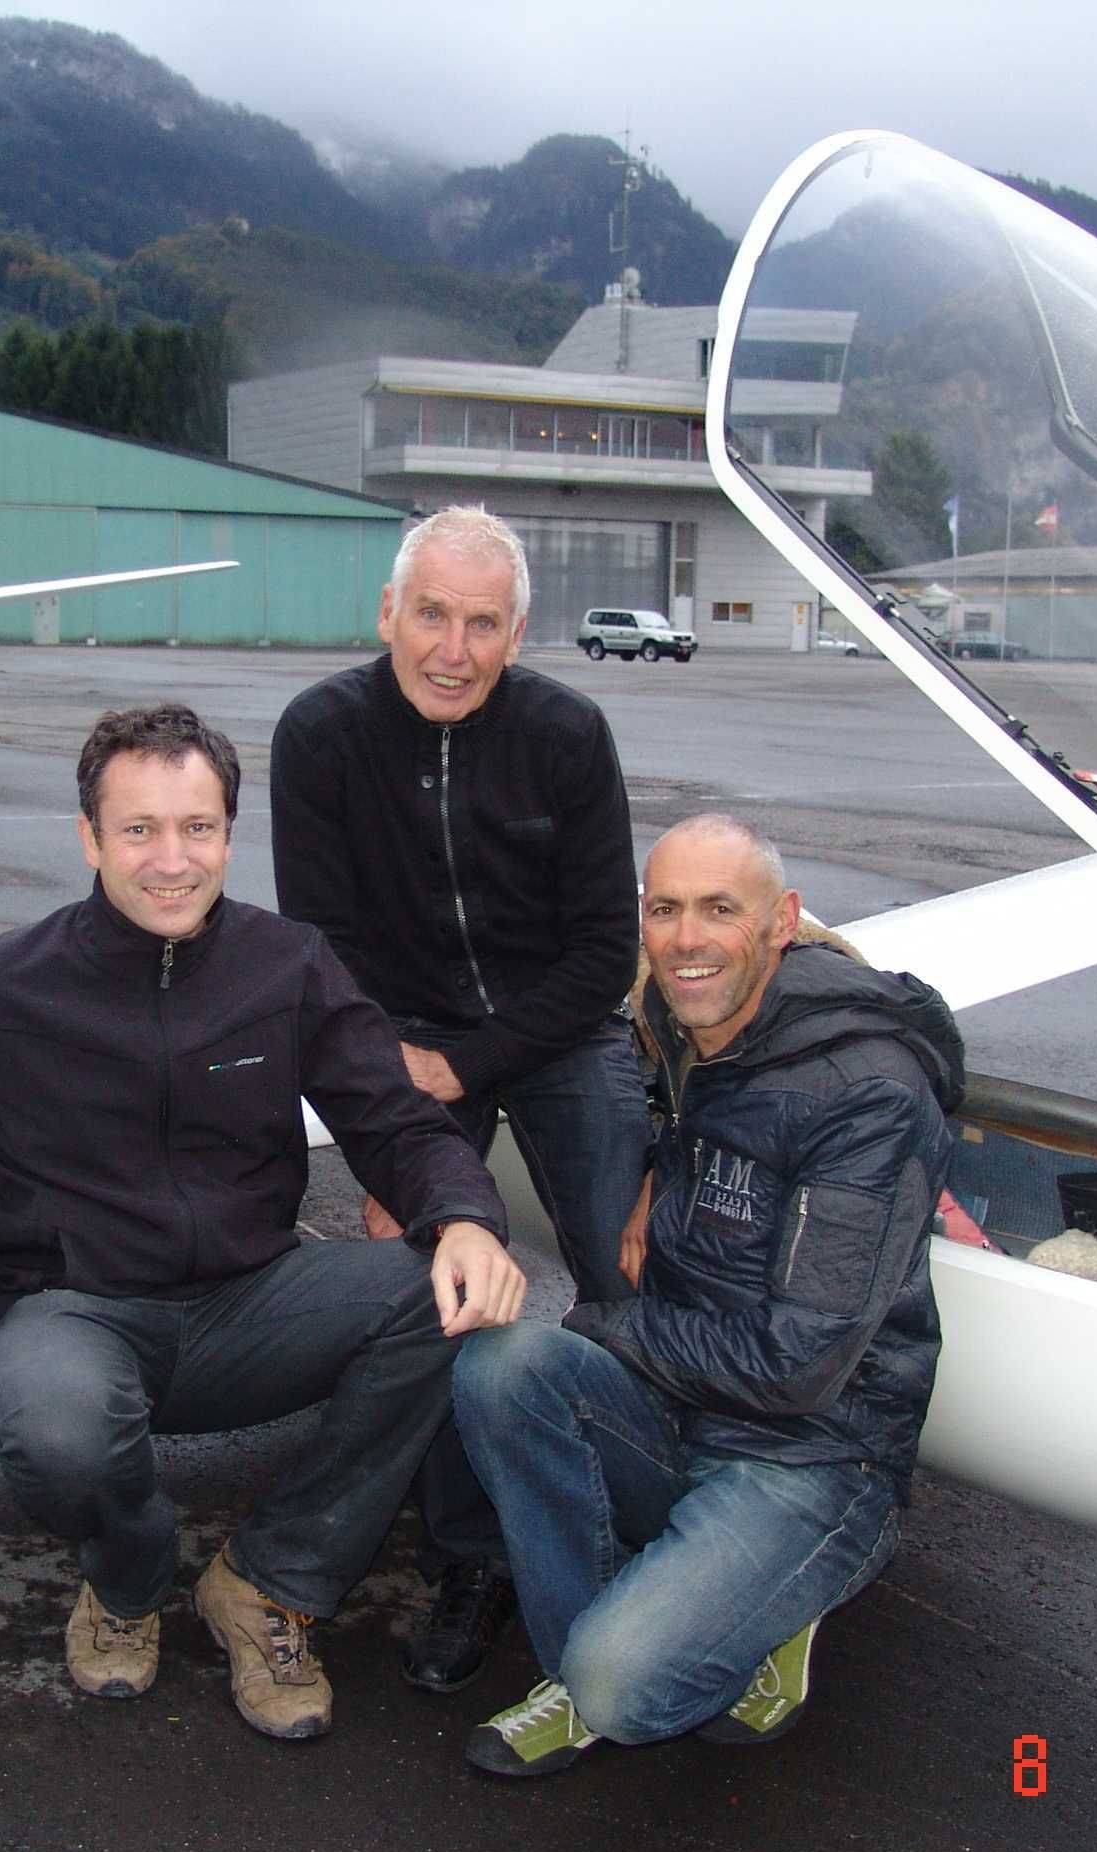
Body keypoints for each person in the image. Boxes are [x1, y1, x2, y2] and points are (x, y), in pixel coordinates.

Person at [0, 703, 526, 1743]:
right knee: (55, 1425)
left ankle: (268, 1580)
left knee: (447, 1296)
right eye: (139, 830)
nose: (173, 860)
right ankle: (126, 1580)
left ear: (227, 833)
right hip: (76, 1314)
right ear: (89, 838)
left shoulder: (287, 966)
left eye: (198, 829)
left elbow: (396, 1123)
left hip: (249, 1303)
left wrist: (466, 1218)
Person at [452, 814, 963, 1778]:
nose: (686, 938)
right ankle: (593, 1656)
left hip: (814, 1453)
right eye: (665, 909)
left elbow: (796, 1363)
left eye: (720, 910)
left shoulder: (869, 1092)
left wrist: (609, 1325)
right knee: (501, 1365)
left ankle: (751, 1613)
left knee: (627, 1687)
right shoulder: (688, 1024)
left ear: (783, 922)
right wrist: (661, 1167)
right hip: (687, 1409)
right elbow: (703, 1125)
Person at [270, 504, 647, 1694]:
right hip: (399, 1037)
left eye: (483, 624)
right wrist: (399, 1087)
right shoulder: (320, 735)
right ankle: (473, 1557)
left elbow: (603, 951)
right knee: (436, 1282)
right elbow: (318, 955)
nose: (453, 647)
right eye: (430, 614)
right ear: (388, 612)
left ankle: (653, 1503)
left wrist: (473, 1063)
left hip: (555, 1027)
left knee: (631, 1260)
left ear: (518, 633)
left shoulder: (568, 735)